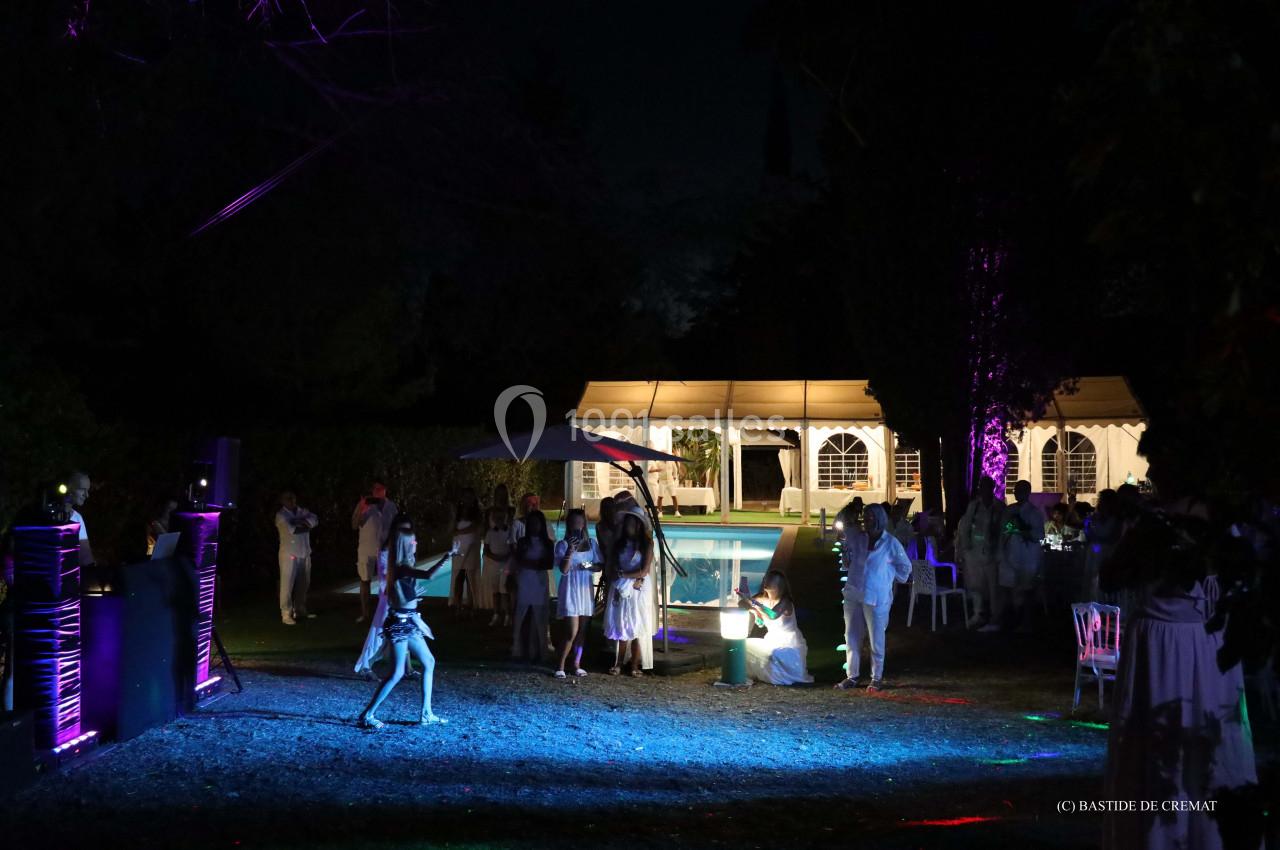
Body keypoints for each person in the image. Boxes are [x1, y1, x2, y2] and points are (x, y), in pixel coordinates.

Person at [1100, 499, 1257, 850]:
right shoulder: (1149, 523)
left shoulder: (1217, 526)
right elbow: (1112, 576)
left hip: (1198, 645)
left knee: (1206, 749)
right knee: (1156, 748)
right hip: (1161, 645)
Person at [359, 514, 449, 728]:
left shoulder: (402, 567)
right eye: (413, 541)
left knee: (429, 661)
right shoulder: (400, 566)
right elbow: (428, 575)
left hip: (409, 622)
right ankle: (367, 715)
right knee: (397, 672)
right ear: (404, 544)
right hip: (400, 626)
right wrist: (448, 557)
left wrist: (412, 597)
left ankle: (426, 713)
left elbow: (402, 594)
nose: (415, 543)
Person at [835, 504, 911, 692]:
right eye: (865, 517)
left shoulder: (890, 543)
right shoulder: (858, 538)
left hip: (876, 597)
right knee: (851, 635)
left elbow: (905, 568)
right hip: (854, 592)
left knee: (876, 637)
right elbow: (842, 522)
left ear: (879, 519)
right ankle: (851, 676)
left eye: (869, 518)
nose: (865, 521)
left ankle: (876, 677)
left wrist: (887, 575)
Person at [738, 569, 813, 685]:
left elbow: (773, 614)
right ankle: (759, 675)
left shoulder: (785, 602)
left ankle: (776, 676)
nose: (766, 582)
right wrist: (754, 612)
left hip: (789, 643)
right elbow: (741, 604)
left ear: (779, 585)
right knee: (745, 644)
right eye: (766, 579)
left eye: (770, 580)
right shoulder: (762, 599)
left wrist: (753, 603)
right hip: (772, 638)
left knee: (773, 654)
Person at [603, 508, 653, 677]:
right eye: (627, 522)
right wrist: (618, 577)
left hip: (638, 586)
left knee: (637, 624)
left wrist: (627, 575)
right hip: (621, 585)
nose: (629, 525)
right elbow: (613, 564)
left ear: (639, 525)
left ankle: (634, 665)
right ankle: (618, 663)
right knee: (622, 624)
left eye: (632, 522)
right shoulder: (619, 544)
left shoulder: (647, 544)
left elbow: (645, 570)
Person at [553, 509, 603, 678]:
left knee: (582, 631)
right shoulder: (563, 544)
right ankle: (560, 666)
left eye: (580, 522)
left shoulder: (592, 543)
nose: (577, 525)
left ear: (584, 524)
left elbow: (598, 566)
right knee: (571, 631)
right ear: (569, 524)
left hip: (585, 589)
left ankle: (576, 665)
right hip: (570, 589)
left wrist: (587, 566)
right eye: (574, 522)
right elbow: (563, 570)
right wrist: (570, 552)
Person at [995, 480, 1045, 632]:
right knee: (1007, 588)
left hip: (1027, 557)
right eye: (1016, 490)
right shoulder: (1009, 510)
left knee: (1026, 590)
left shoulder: (1034, 512)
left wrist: (1020, 530)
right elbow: (1003, 531)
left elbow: (1038, 535)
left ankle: (1025, 622)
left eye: (1021, 490)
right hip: (1009, 555)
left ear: (1028, 492)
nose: (1017, 493)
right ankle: (1009, 620)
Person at [956, 476, 1004, 629]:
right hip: (975, 552)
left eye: (987, 487)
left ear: (992, 488)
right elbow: (965, 526)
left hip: (993, 552)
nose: (984, 490)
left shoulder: (999, 507)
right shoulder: (974, 506)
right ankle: (978, 614)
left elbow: (1004, 528)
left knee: (993, 586)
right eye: (981, 487)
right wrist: (965, 548)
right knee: (975, 585)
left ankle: (995, 617)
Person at [351, 481, 398, 624]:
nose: (378, 491)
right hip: (367, 550)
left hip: (385, 551)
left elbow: (395, 526)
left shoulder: (391, 507)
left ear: (385, 490)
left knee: (387, 582)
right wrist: (361, 507)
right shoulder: (366, 506)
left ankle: (386, 613)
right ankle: (366, 615)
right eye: (375, 489)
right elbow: (354, 525)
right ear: (371, 491)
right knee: (365, 581)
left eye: (381, 488)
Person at [510, 509, 553, 663]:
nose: (535, 526)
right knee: (521, 615)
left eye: (538, 523)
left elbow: (549, 563)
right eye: (532, 523)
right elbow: (519, 559)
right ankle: (519, 649)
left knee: (540, 618)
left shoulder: (547, 543)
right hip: (525, 580)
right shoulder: (523, 542)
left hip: (539, 582)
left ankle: (541, 651)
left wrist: (532, 564)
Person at [1082, 489, 1122, 599]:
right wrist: (1087, 527)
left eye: (1102, 500)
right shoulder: (1096, 517)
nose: (1100, 502)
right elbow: (1089, 535)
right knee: (1091, 579)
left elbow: (1114, 537)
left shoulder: (1116, 518)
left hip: (1107, 552)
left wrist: (1098, 539)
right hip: (1094, 551)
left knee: (1102, 578)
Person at [448, 508, 483, 618]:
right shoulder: (458, 514)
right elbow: (451, 530)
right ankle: (458, 606)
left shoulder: (476, 513)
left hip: (472, 547)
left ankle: (471, 606)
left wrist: (459, 532)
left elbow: (475, 527)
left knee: (470, 577)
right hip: (459, 547)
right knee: (459, 576)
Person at [483, 507, 514, 627]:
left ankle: (507, 615)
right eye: (497, 518)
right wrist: (495, 557)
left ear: (506, 518)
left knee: (505, 591)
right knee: (495, 592)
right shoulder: (490, 533)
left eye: (502, 517)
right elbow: (486, 550)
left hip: (506, 566)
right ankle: (496, 614)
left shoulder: (510, 531)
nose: (499, 519)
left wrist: (506, 557)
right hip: (494, 566)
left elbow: (512, 548)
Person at [65, 471, 95, 571]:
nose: (86, 495)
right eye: (82, 489)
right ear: (69, 488)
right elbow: (86, 558)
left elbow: (85, 556)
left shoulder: (77, 518)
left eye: (87, 490)